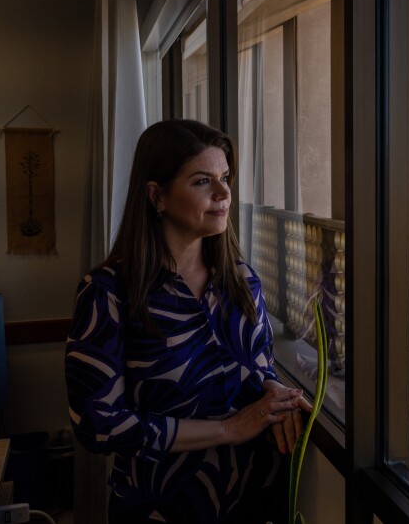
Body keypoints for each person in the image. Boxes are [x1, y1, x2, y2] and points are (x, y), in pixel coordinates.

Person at [65, 119, 310, 523]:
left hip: (256, 504)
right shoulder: (108, 291)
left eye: (225, 177)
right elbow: (98, 424)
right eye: (202, 182)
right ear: (157, 195)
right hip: (159, 510)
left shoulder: (243, 280)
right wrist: (229, 429)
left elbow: (259, 364)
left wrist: (275, 392)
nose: (223, 194)